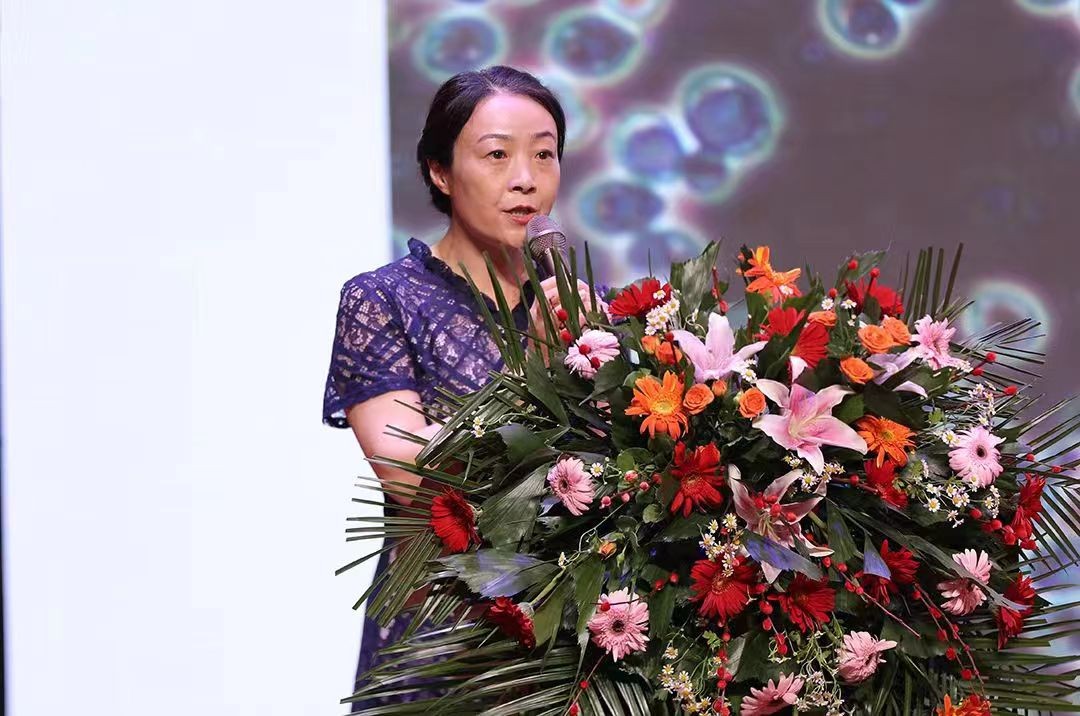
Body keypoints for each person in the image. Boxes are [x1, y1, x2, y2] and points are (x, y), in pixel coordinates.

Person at [321, 64, 595, 712]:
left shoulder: (584, 308)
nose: (525, 178)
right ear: (440, 172)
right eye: (497, 155)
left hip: (567, 650)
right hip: (440, 641)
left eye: (544, 155)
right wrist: (537, 369)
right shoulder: (382, 300)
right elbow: (410, 479)